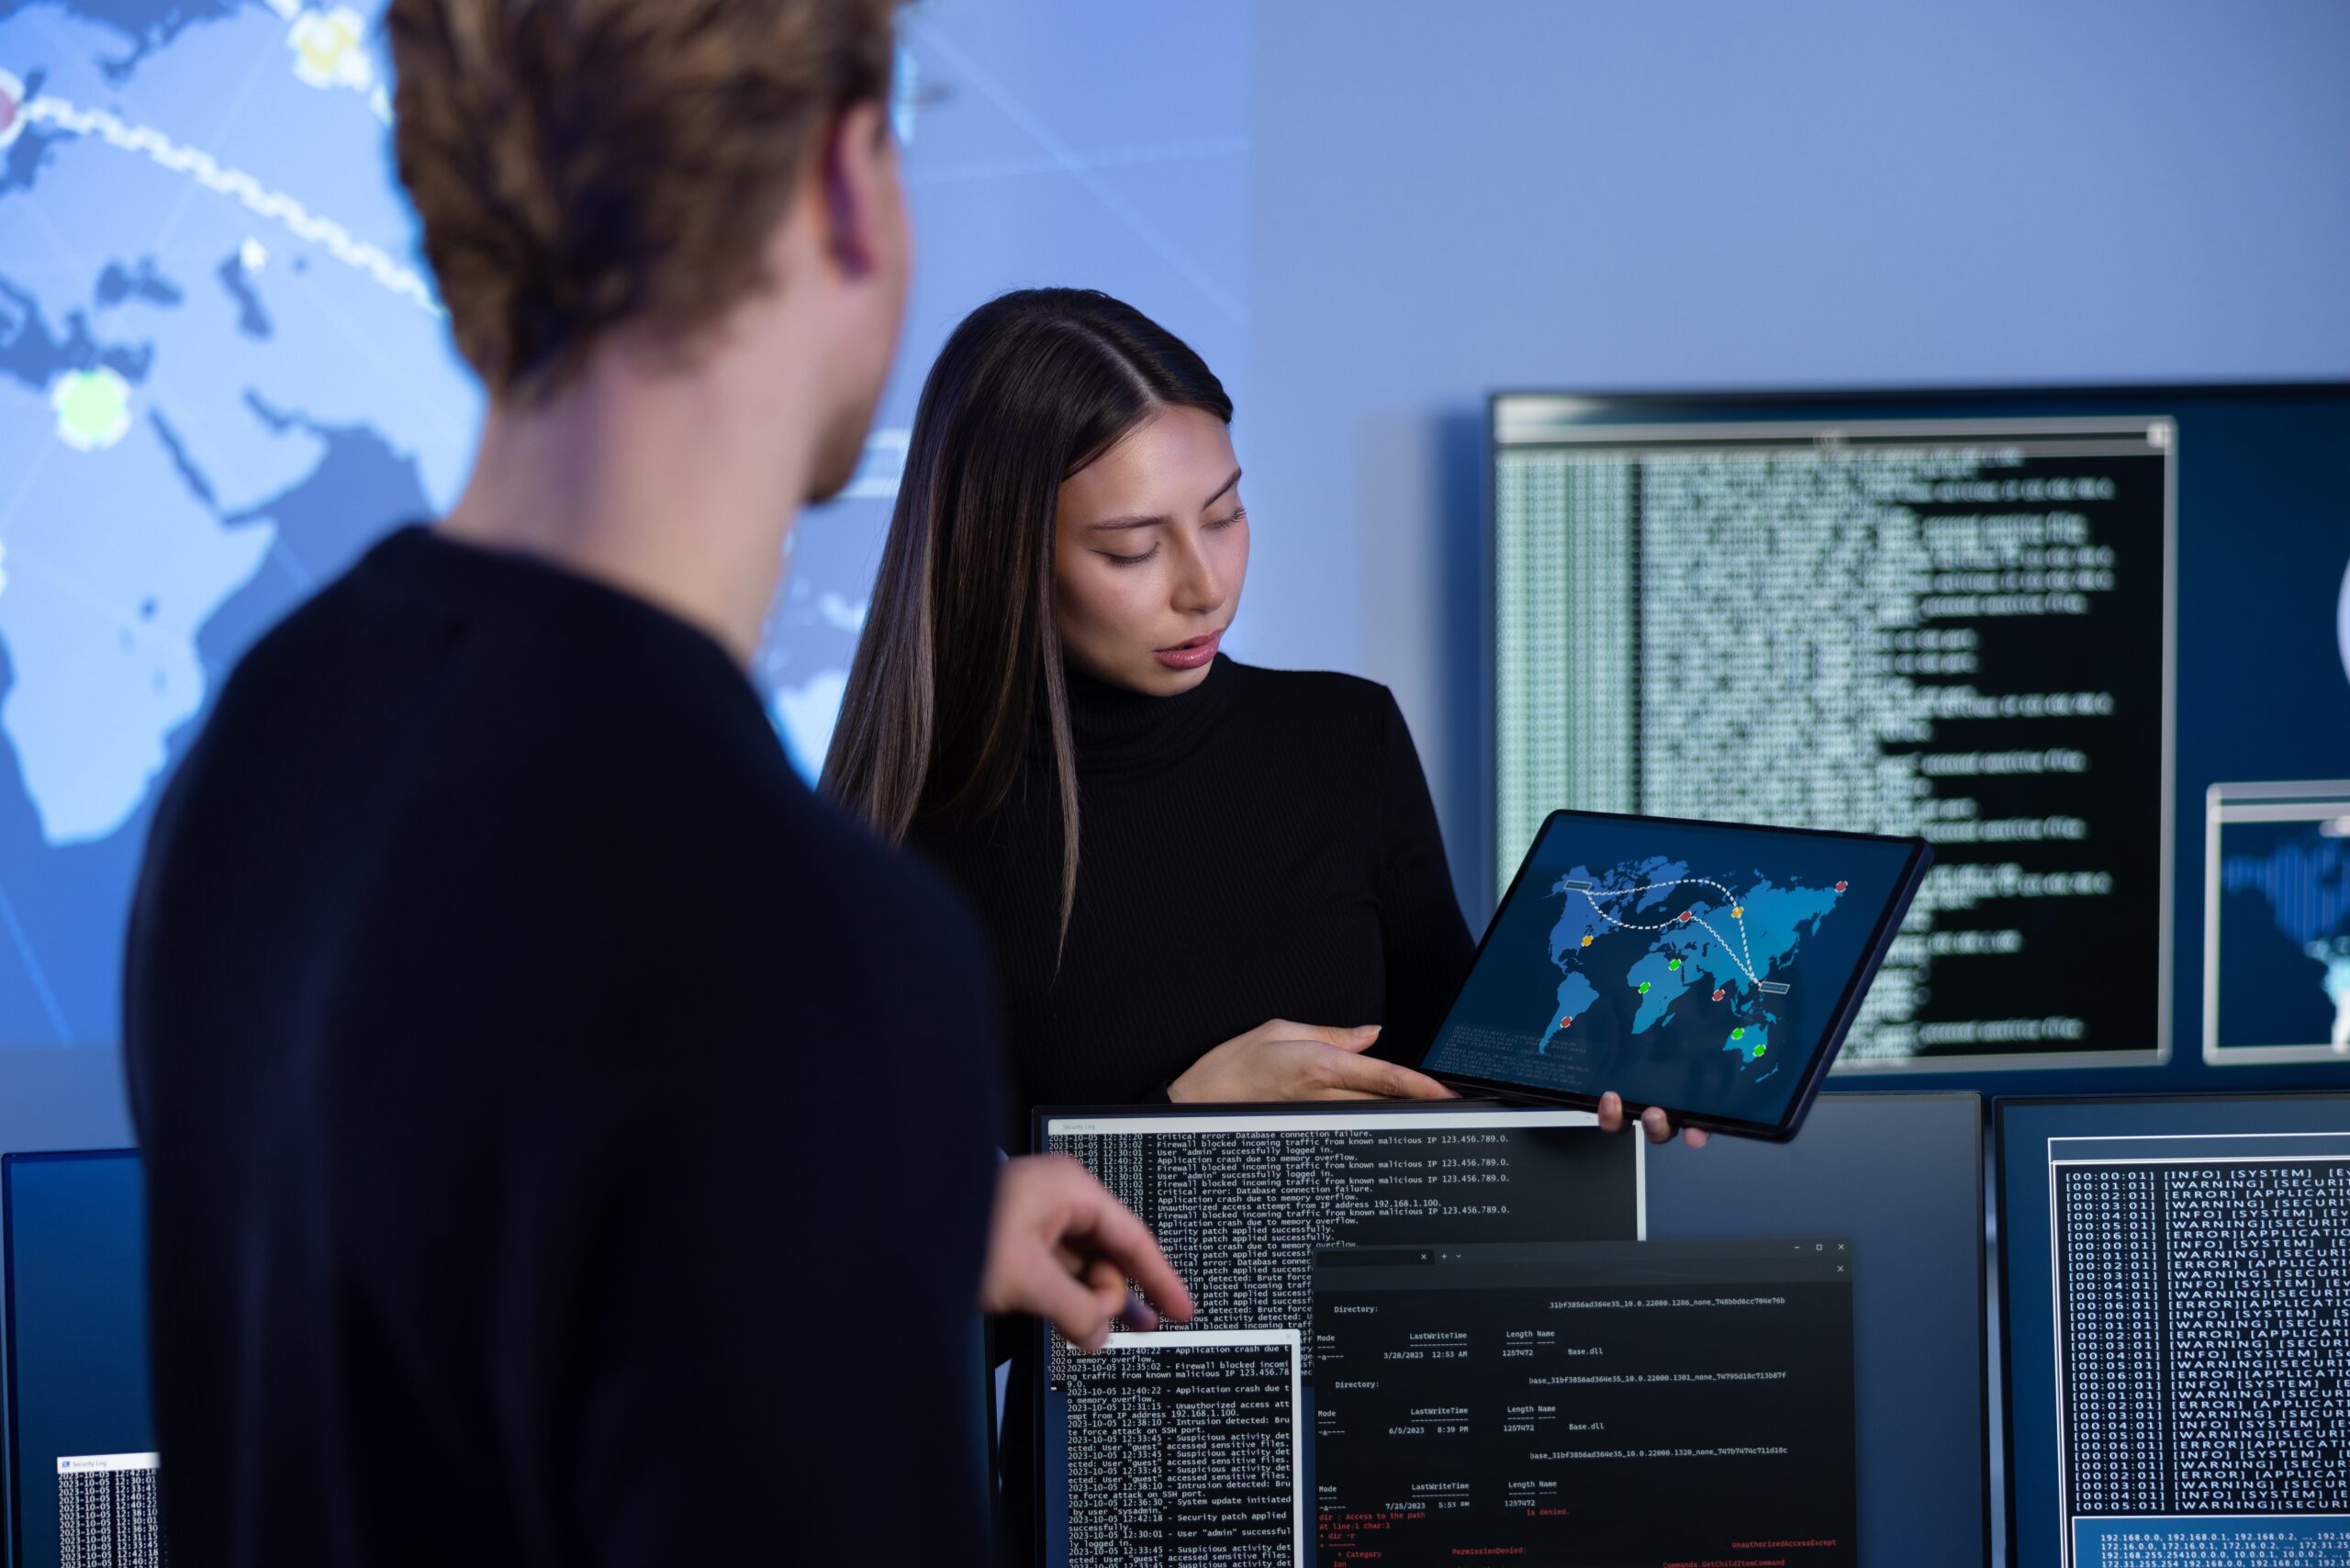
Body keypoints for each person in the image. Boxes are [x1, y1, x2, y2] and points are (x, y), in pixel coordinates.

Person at [121, 6, 1186, 1564]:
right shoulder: (791, 941)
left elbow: (447, 1271)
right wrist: (821, 1145)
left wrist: (865, 1220)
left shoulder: (272, 736)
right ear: (843, 185)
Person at [826, 287, 1705, 1147]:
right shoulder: (902, 841)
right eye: (1131, 550)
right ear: (1003, 554)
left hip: (1384, 1290)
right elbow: (907, 1236)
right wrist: (1179, 1123)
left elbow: (1464, 1085)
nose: (1206, 588)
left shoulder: (1345, 738)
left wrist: (1600, 1070)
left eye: (1225, 515)